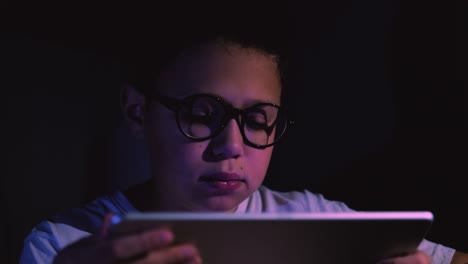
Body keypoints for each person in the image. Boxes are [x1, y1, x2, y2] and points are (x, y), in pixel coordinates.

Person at [19, 10, 467, 264]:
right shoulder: (63, 245)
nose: (231, 145)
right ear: (138, 113)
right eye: (201, 114)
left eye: (256, 120)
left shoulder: (314, 219)